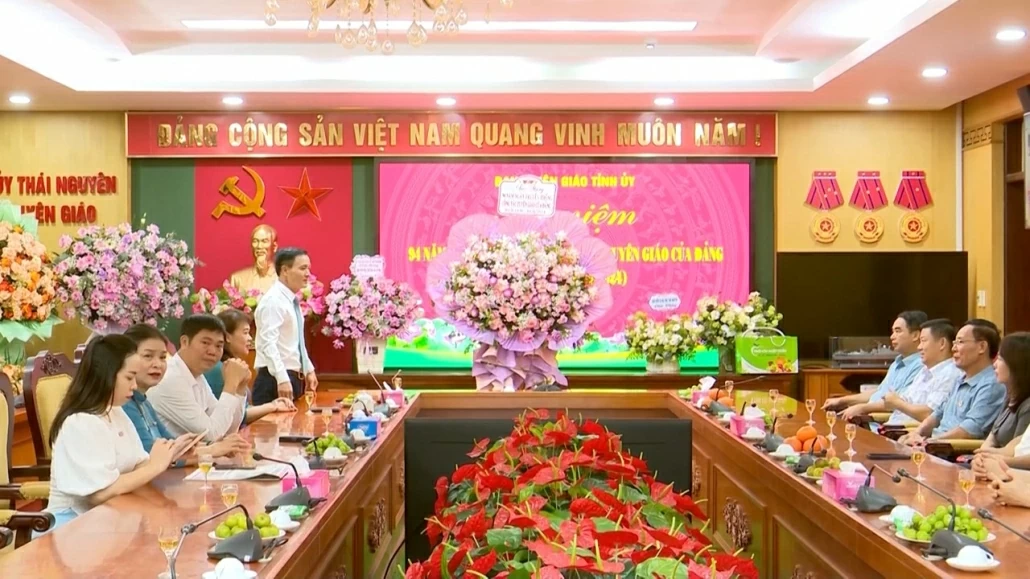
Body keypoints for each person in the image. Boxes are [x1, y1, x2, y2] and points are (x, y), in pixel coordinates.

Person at [43, 335, 193, 530]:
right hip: (73, 526)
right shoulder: (80, 422)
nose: (134, 385)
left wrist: (169, 456)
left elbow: (137, 466)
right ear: (107, 374)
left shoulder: (115, 411)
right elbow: (100, 493)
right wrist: (155, 466)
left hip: (114, 519)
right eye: (129, 377)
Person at [122, 324, 251, 463]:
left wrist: (212, 448)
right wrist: (211, 450)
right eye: (148, 356)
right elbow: (152, 456)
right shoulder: (126, 402)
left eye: (163, 357)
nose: (157, 364)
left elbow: (172, 445)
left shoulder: (143, 401)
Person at [900, 320, 1007, 445]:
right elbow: (938, 413)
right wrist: (916, 433)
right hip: (935, 445)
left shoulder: (992, 384)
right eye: (954, 342)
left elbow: (969, 430)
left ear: (981, 347)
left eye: (960, 342)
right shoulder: (960, 379)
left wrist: (928, 442)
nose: (953, 348)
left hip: (952, 450)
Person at [147, 314, 250, 442]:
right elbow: (211, 435)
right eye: (205, 343)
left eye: (219, 346)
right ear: (184, 342)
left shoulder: (196, 375)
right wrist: (231, 384)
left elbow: (228, 430)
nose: (212, 351)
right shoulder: (170, 379)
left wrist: (240, 389)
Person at [823, 311, 927, 419]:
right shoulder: (896, 362)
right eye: (892, 332)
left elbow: (898, 404)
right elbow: (880, 393)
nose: (892, 337)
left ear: (915, 335)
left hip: (881, 422)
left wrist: (862, 408)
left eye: (898, 331)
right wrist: (842, 401)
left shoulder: (922, 365)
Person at [205, 308, 296, 421]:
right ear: (227, 337)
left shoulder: (231, 366)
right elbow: (233, 416)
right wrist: (273, 406)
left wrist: (274, 405)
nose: (250, 338)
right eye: (245, 333)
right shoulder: (218, 369)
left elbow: (242, 410)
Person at [253, 247, 318, 406]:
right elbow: (268, 343)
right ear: (285, 270)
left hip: (291, 377)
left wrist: (308, 369)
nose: (308, 274)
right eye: (302, 268)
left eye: (308, 268)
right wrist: (281, 378)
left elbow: (295, 342)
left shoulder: (291, 300)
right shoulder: (274, 301)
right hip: (274, 380)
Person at [880, 319, 963, 426]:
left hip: (907, 432)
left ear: (942, 343)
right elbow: (905, 399)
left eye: (923, 341)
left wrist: (897, 403)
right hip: (890, 428)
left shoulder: (950, 374)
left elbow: (930, 414)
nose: (919, 347)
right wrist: (893, 400)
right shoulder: (924, 371)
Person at [970, 333, 1030, 473]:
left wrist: (987, 456)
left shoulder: (1027, 406)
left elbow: (1015, 451)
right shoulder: (1010, 396)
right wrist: (983, 456)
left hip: (1010, 471)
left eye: (1001, 359)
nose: (994, 364)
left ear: (1017, 365)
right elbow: (992, 437)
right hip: (994, 465)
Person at [228, 224, 279, 295]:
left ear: (274, 247)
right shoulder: (237, 279)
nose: (259, 246)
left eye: (264, 241)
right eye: (255, 241)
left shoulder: (286, 279)